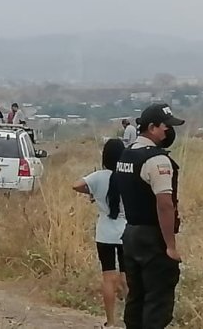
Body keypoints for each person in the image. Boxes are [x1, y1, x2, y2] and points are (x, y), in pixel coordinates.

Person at [115, 103, 185, 329]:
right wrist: (170, 246)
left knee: (136, 297)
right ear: (153, 127)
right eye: (166, 127)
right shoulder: (157, 160)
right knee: (157, 300)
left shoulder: (127, 154)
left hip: (130, 234)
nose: (169, 132)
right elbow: (164, 205)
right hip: (151, 236)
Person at [73, 138, 129, 329]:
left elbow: (76, 185)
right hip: (126, 231)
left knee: (108, 278)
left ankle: (111, 322)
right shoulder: (128, 176)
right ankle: (131, 319)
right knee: (126, 276)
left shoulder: (98, 177)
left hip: (105, 232)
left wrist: (92, 193)